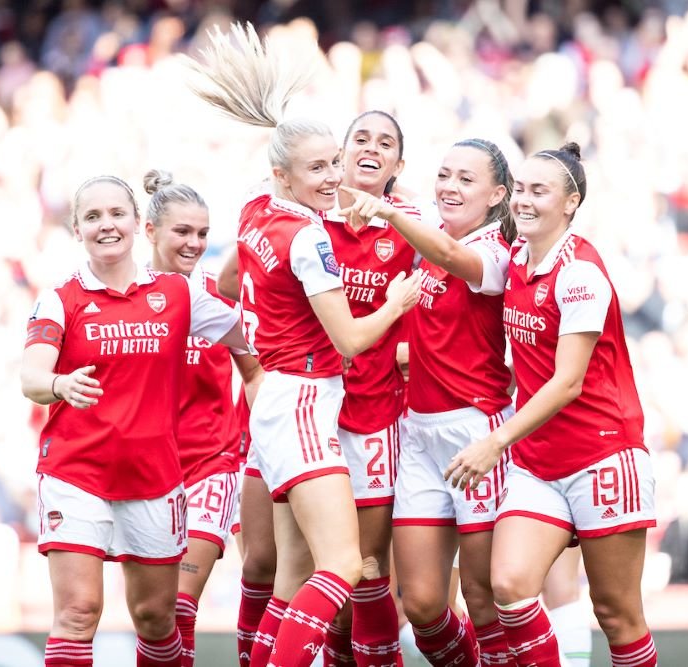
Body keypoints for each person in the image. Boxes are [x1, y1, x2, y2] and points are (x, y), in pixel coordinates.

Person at [183, 23, 422, 667]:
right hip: (307, 400)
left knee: (288, 575)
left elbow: (230, 281)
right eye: (317, 167)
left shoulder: (257, 208)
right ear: (283, 172)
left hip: (272, 400)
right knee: (346, 564)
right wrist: (397, 305)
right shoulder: (312, 237)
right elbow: (349, 339)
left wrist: (242, 340)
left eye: (332, 165)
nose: (330, 176)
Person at [444, 143, 658, 667]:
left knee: (616, 613)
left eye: (539, 191)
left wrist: (494, 442)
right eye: (519, 189)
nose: (524, 201)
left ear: (570, 203)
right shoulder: (514, 258)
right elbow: (450, 257)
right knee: (510, 586)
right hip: (539, 463)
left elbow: (568, 384)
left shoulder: (581, 271)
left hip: (602, 457)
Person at [20, 174, 246, 667]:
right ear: (77, 229)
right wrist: (60, 385)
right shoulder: (60, 299)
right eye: (93, 217)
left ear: (137, 224)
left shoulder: (179, 294)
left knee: (156, 618)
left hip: (154, 481)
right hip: (75, 475)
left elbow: (256, 338)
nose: (107, 226)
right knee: (79, 614)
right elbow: (32, 376)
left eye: (116, 214)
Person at [337, 135, 517, 667]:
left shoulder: (493, 253)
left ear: (497, 195)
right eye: (445, 175)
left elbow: (446, 255)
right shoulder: (428, 234)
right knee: (420, 603)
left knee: (485, 601)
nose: (450, 187)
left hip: (475, 434)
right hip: (418, 433)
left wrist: (389, 210)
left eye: (466, 179)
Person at [142, 169, 265, 666]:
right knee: (152, 614)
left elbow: (256, 372)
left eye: (202, 234)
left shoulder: (218, 297)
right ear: (149, 232)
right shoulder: (123, 302)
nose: (194, 243)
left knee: (178, 601)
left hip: (212, 468)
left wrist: (270, 447)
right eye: (182, 232)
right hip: (148, 474)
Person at [320, 110, 420, 667]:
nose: (371, 148)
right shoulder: (307, 223)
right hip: (310, 412)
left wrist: (401, 349)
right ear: (340, 153)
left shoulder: (411, 230)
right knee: (297, 570)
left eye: (385, 143)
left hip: (376, 415)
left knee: (366, 567)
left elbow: (430, 328)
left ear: (397, 166)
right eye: (360, 137)